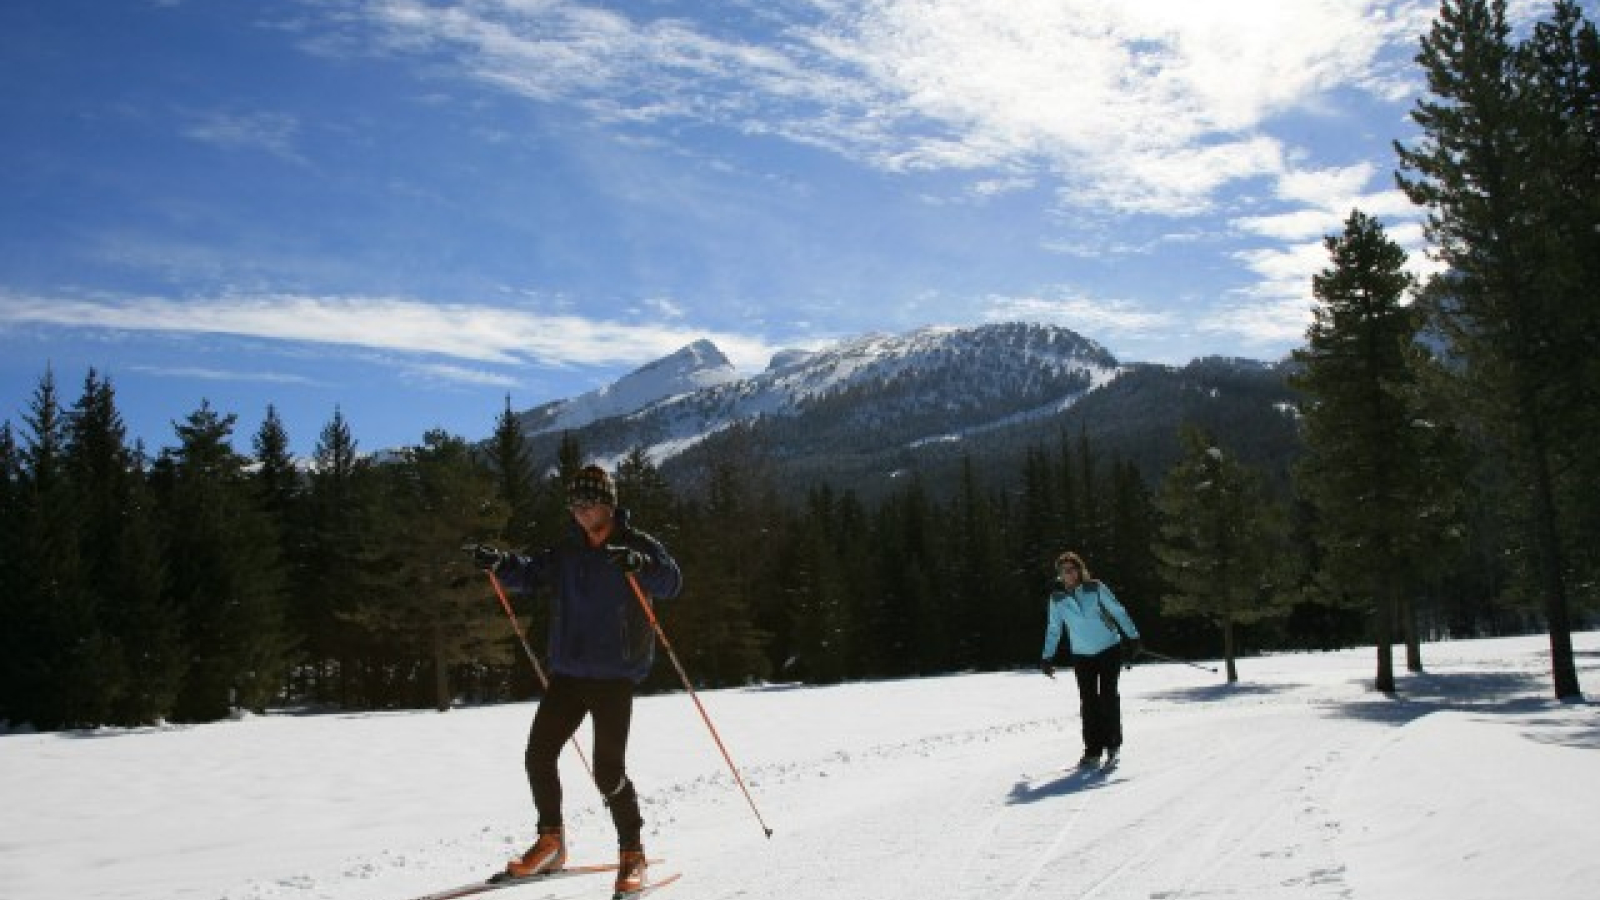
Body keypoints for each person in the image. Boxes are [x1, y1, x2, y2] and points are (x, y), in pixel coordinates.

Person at [471, 464, 683, 897]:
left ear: (609, 503)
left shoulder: (636, 544)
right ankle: (551, 842)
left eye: (588, 504)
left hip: (614, 675)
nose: (581, 513)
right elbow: (530, 574)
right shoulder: (568, 550)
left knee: (608, 771)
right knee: (538, 755)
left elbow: (672, 582)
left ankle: (633, 853)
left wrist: (640, 565)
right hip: (569, 671)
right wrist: (501, 564)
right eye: (575, 505)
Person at [1039, 550, 1140, 768]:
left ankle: (1113, 744)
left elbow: (1118, 610)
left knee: (1108, 696)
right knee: (1089, 702)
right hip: (1082, 655)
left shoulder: (1094, 588)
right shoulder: (1057, 599)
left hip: (1108, 649)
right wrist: (1047, 656)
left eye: (1073, 569)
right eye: (1065, 571)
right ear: (1060, 575)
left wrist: (1133, 637)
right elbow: (1054, 629)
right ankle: (1093, 750)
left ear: (1080, 570)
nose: (1070, 574)